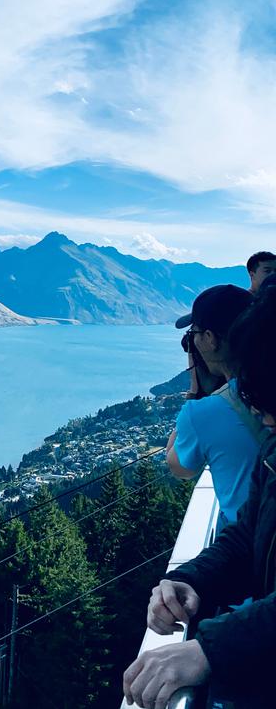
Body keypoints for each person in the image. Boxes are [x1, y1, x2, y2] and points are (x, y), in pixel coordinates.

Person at [125, 291, 276, 709]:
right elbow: (247, 534)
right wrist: (190, 579)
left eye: (268, 403)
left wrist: (210, 649)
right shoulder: (273, 450)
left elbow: (181, 465)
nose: (260, 416)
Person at [166, 285, 262, 526]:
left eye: (193, 333)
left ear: (210, 339)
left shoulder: (204, 412)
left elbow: (179, 467)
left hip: (249, 547)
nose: (193, 342)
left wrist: (195, 391)